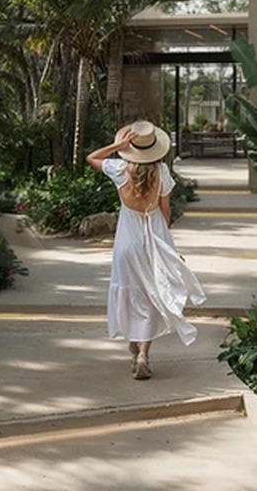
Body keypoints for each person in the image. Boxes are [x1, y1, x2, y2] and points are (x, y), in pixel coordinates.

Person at [85, 121, 206, 379]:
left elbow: (92, 158)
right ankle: (143, 354)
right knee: (152, 294)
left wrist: (117, 146)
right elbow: (166, 211)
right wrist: (169, 247)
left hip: (127, 242)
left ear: (130, 147)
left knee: (130, 291)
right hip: (154, 239)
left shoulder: (119, 169)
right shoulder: (162, 171)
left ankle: (133, 342)